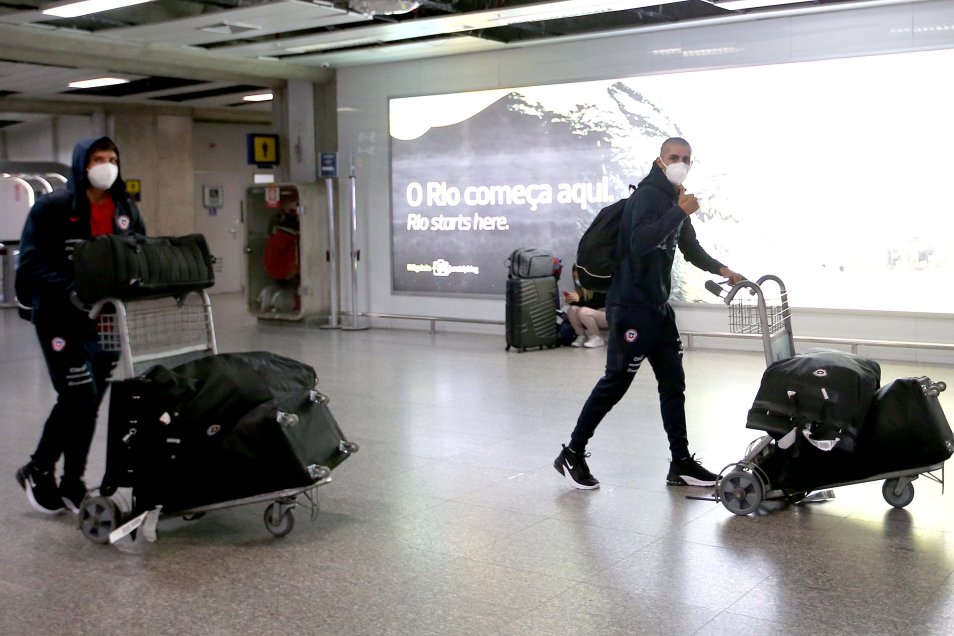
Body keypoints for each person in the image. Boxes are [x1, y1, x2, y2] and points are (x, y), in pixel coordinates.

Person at [554, 137, 744, 490]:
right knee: (615, 383)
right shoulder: (647, 197)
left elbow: (690, 249)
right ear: (660, 160)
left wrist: (725, 270)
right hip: (630, 308)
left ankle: (681, 463)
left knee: (674, 384)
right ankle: (573, 452)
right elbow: (641, 242)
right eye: (675, 157)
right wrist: (680, 211)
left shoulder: (675, 198)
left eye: (687, 158)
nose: (681, 163)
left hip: (658, 309)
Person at [14, 136, 146, 514]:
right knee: (77, 395)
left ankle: (73, 481)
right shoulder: (52, 208)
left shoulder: (125, 209)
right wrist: (68, 287)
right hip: (60, 317)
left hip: (106, 321)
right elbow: (31, 262)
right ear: (81, 165)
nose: (106, 165)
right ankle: (39, 469)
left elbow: (140, 250)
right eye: (98, 159)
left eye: (112, 158)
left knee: (89, 403)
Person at [565, 265, 608, 348]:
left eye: (578, 277)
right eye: (575, 277)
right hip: (597, 314)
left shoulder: (599, 285)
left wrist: (579, 300)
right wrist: (572, 301)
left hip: (607, 314)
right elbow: (584, 305)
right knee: (572, 310)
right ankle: (581, 336)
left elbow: (596, 305)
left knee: (583, 311)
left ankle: (597, 337)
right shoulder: (582, 290)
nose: (577, 280)